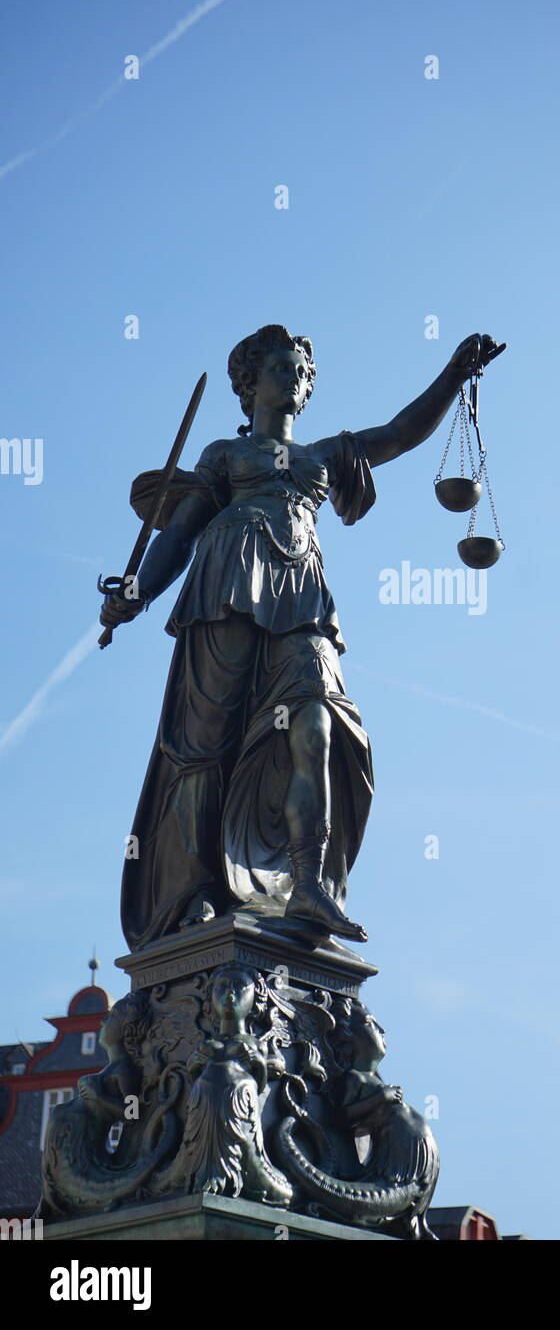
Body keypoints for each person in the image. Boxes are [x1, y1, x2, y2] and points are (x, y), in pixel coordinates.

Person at [100, 325, 503, 951]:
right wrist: (136, 593)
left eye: (302, 373)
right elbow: (177, 536)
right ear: (250, 384)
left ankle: (309, 883)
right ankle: (195, 890)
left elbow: (398, 434)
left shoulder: (322, 456)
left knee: (318, 726)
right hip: (227, 586)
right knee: (207, 746)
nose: (295, 380)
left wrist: (455, 373)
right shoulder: (225, 458)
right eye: (282, 370)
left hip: (301, 597)